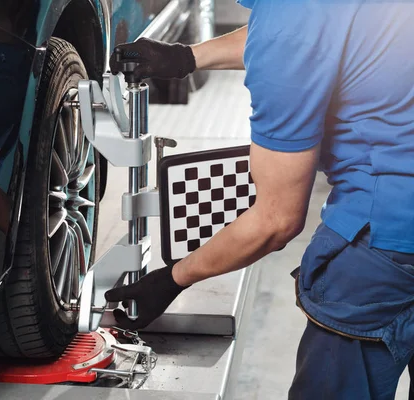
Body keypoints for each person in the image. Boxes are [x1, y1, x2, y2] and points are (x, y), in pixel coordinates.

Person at [105, 1, 414, 399]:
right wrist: (187, 57)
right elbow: (315, 32)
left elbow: (277, 220)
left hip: (385, 242)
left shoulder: (286, 25)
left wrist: (171, 279)